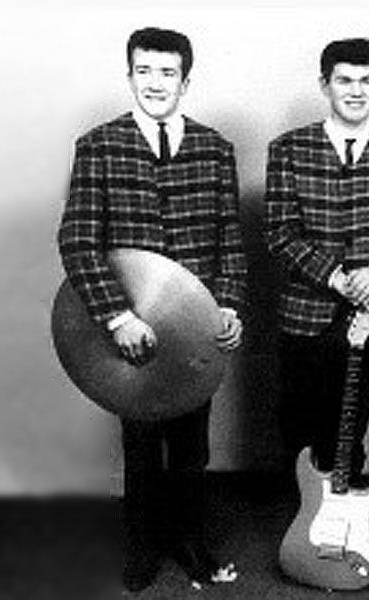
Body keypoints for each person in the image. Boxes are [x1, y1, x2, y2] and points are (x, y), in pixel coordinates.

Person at [57, 27, 246, 593]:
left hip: (196, 332)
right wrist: (117, 316)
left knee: (191, 449)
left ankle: (190, 544)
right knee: (141, 446)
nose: (155, 83)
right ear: (130, 76)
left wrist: (228, 305)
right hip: (128, 327)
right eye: (144, 71)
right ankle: (142, 550)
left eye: (167, 73)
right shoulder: (99, 146)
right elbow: (78, 241)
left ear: (185, 80)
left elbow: (230, 237)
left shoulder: (215, 148)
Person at [264, 39, 369, 486]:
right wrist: (336, 277)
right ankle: (302, 519)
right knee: (299, 426)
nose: (356, 91)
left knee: (350, 427)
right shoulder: (289, 149)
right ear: (325, 85)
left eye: (366, 81)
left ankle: (346, 512)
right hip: (307, 312)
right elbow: (279, 232)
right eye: (344, 80)